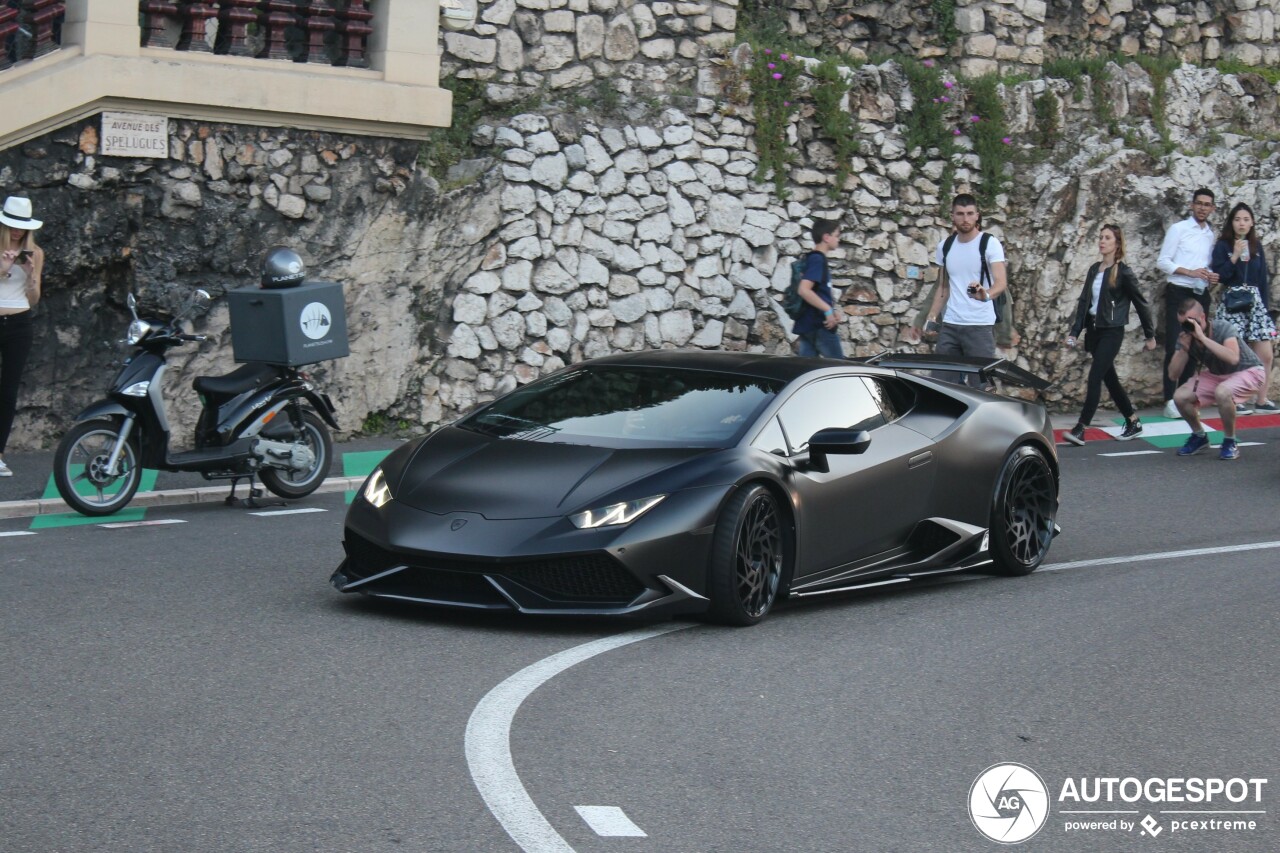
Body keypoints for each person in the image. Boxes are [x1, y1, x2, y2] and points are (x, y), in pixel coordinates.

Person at [1062, 224, 1157, 445]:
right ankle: (1133, 421)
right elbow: (1085, 303)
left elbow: (1141, 304)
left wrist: (1149, 335)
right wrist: (1075, 332)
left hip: (1112, 332)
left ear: (1117, 243)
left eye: (1107, 238)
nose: (1102, 241)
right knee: (1110, 379)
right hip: (1094, 331)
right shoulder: (1094, 269)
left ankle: (1081, 427)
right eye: (1101, 237)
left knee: (1095, 377)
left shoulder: (1123, 272)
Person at [923, 193, 1007, 386]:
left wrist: (985, 295)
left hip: (979, 325)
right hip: (951, 324)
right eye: (960, 214)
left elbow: (1001, 283)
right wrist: (932, 317)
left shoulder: (989, 243)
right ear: (952, 216)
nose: (965, 219)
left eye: (970, 213)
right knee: (941, 384)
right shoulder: (946, 247)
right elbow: (943, 286)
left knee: (981, 385)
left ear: (977, 215)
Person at [1168, 297, 1265, 460]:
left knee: (1222, 392)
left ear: (1203, 317)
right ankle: (1199, 436)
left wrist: (1203, 338)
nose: (1189, 327)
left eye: (1192, 322)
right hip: (1218, 375)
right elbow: (1173, 375)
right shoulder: (1186, 337)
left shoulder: (1222, 327)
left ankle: (1229, 441)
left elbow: (1233, 358)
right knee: (1180, 396)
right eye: (1184, 323)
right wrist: (1184, 350)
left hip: (1249, 371)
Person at [1156, 188, 1219, 418]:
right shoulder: (1178, 229)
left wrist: (1211, 275)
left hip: (1201, 294)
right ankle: (1169, 399)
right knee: (1175, 342)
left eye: (1207, 204)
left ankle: (1184, 397)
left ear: (1212, 208)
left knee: (1197, 345)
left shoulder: (1210, 235)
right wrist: (1190, 272)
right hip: (1179, 291)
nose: (1203, 207)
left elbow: (1207, 264)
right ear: (1192, 205)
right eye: (1199, 203)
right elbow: (1163, 261)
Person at [1209, 201, 1277, 413]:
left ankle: (1262, 399)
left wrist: (1265, 312)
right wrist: (1235, 255)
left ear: (1252, 223)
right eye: (1238, 219)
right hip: (1233, 301)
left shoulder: (1256, 246)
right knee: (1235, 353)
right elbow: (1221, 275)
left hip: (1255, 303)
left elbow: (1262, 280)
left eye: (1246, 219)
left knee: (1265, 354)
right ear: (1232, 222)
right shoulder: (1223, 246)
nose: (1242, 223)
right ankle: (1234, 399)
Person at [0, 196, 44, 477]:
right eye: (13, 226)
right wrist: (3, 268)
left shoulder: (35, 252)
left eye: (22, 227)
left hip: (19, 323)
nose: (18, 232)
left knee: (8, 391)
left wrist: (30, 277)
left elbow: (34, 299)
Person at [792, 218, 843, 358]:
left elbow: (818, 292)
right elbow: (804, 289)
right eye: (836, 235)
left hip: (808, 325)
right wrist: (827, 311)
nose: (838, 239)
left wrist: (832, 310)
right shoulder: (817, 259)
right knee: (841, 371)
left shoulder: (812, 258)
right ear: (826, 237)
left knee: (806, 371)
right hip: (820, 325)